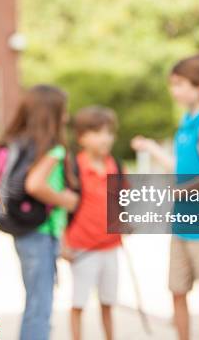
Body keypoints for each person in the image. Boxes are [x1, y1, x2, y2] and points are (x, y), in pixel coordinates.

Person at [131, 55, 199, 340]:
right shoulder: (186, 123)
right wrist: (151, 148)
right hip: (181, 226)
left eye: (179, 84)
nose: (173, 90)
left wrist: (176, 192)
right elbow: (181, 168)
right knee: (177, 291)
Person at [1, 84, 80, 340]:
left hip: (24, 230)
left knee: (36, 300)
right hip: (39, 233)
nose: (66, 118)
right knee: (40, 304)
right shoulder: (52, 149)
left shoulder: (17, 144)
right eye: (63, 112)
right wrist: (65, 200)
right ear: (52, 115)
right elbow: (34, 185)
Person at [63, 106, 123, 340]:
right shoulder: (74, 167)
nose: (105, 138)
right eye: (97, 132)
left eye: (109, 132)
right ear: (82, 138)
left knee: (108, 302)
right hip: (82, 248)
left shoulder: (115, 166)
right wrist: (63, 242)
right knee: (79, 303)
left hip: (111, 247)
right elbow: (61, 208)